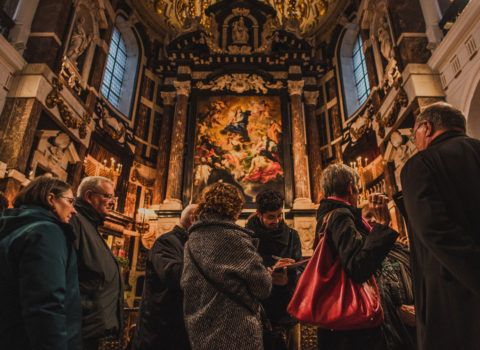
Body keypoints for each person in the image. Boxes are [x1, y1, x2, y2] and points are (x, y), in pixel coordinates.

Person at [400, 102, 480, 350]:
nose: (416, 142)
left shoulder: (420, 164)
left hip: (453, 301)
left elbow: (436, 232)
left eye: (415, 135)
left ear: (426, 127)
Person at [315, 163, 398, 350]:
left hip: (340, 320)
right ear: (351, 187)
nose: (358, 194)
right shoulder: (341, 216)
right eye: (358, 190)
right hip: (353, 327)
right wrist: (382, 226)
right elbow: (358, 267)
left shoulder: (328, 216)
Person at [181, 182, 273, 350]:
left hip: (199, 330)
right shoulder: (234, 238)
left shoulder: (191, 241)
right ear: (234, 208)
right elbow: (263, 287)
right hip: (237, 332)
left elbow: (189, 284)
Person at [0, 176, 82, 349]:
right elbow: (45, 306)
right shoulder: (46, 232)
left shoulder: (14, 227)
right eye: (70, 201)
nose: (74, 210)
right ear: (51, 199)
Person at [131, 204, 198, 350]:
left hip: (177, 329)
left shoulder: (188, 242)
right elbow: (174, 275)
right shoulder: (166, 242)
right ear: (193, 220)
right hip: (161, 329)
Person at [69, 176, 124, 350]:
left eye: (113, 197)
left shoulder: (90, 225)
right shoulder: (75, 221)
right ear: (89, 196)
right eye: (107, 196)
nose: (112, 202)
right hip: (78, 331)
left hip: (91, 332)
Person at [246, 189, 302, 350]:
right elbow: (245, 270)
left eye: (279, 215)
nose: (277, 221)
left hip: (288, 307)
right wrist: (267, 274)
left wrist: (288, 279)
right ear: (259, 214)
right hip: (261, 310)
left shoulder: (292, 235)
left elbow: (301, 269)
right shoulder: (248, 237)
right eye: (271, 217)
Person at [362, 204, 416, 350]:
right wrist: (396, 311)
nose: (374, 219)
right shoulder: (362, 255)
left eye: (377, 214)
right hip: (385, 335)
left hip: (415, 330)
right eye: (368, 216)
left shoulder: (402, 249)